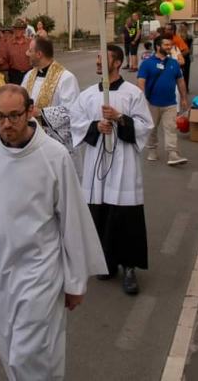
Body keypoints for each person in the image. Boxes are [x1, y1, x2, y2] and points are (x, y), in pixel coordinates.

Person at [0, 85, 106, 380]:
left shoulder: (54, 156)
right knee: (10, 347)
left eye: (14, 116)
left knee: (28, 350)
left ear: (29, 112)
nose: (6, 124)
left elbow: (72, 222)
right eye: (0, 116)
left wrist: (76, 281)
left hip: (41, 272)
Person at [70, 45, 154, 295]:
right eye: (96, 57)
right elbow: (76, 124)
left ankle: (129, 268)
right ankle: (106, 261)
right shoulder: (87, 96)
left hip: (123, 164)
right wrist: (96, 126)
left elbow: (145, 125)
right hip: (97, 162)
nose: (97, 62)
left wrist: (119, 119)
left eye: (102, 58)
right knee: (100, 211)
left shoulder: (132, 94)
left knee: (125, 214)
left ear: (117, 63)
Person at [22, 36, 82, 174]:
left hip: (55, 144)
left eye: (30, 50)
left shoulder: (66, 78)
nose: (26, 53)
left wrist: (40, 113)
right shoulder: (29, 76)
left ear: (39, 54)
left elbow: (72, 112)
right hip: (31, 142)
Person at [137, 36, 189, 166]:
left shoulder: (174, 63)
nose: (169, 47)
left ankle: (173, 154)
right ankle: (152, 149)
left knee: (171, 128)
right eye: (166, 44)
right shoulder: (147, 63)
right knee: (152, 129)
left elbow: (181, 81)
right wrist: (142, 100)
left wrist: (183, 98)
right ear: (158, 46)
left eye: (170, 44)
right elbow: (141, 82)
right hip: (152, 103)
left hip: (170, 103)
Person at [2, 19, 33, 84]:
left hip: (29, 74)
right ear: (13, 30)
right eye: (16, 29)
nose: (17, 31)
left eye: (20, 29)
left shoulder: (31, 42)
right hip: (14, 75)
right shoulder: (8, 43)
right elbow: (4, 60)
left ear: (24, 30)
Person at [179, 22, 194, 91]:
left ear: (186, 27)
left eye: (183, 26)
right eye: (181, 26)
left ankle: (186, 87)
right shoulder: (177, 35)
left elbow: (190, 47)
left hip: (186, 55)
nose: (182, 27)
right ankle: (179, 87)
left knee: (186, 72)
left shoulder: (189, 36)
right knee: (178, 72)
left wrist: (191, 55)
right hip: (178, 55)